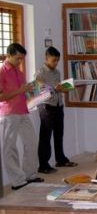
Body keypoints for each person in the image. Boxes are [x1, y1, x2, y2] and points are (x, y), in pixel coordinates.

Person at [0, 43, 44, 190]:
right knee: (10, 148)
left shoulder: (19, 72)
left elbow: (24, 92)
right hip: (9, 113)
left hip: (24, 111)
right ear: (9, 55)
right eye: (18, 58)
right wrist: (20, 90)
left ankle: (29, 175)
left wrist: (36, 92)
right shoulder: (2, 71)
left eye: (22, 59)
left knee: (31, 143)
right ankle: (17, 182)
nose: (20, 62)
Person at [35, 46, 77, 174]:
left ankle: (61, 159)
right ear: (46, 58)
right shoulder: (40, 72)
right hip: (46, 107)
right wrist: (55, 88)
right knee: (45, 137)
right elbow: (40, 89)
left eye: (57, 60)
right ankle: (43, 165)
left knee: (59, 135)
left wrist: (65, 87)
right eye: (54, 60)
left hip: (58, 105)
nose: (56, 63)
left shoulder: (57, 72)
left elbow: (59, 88)